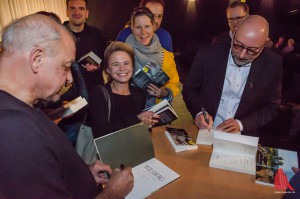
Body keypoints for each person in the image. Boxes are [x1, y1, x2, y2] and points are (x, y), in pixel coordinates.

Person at [0, 14, 133, 198]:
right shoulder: (13, 130)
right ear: (37, 59)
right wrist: (113, 193)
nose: (70, 78)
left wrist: (83, 174)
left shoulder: (17, 110)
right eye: (65, 66)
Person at [182, 15, 282, 136]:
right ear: (233, 35)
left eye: (252, 50)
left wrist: (241, 124)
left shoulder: (272, 64)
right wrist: (198, 113)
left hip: (243, 135)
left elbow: (271, 107)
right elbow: (190, 90)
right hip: (204, 130)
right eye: (238, 45)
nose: (242, 55)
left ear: (265, 44)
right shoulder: (208, 54)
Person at [89, 42, 159, 137]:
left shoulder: (139, 94)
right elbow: (100, 134)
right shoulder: (99, 93)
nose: (122, 68)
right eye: (116, 64)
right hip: (109, 150)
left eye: (126, 63)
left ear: (132, 66)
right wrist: (136, 119)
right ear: (108, 69)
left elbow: (138, 130)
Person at [125, 7, 179, 108]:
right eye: (138, 27)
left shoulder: (167, 56)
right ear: (132, 27)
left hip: (156, 113)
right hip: (129, 110)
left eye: (147, 26)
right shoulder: (123, 53)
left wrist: (165, 92)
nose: (143, 32)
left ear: (153, 26)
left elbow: (174, 83)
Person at [64, 0, 105, 92]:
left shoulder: (96, 34)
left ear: (87, 13)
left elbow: (105, 60)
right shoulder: (58, 35)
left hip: (95, 91)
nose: (77, 12)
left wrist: (98, 66)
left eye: (81, 8)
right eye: (72, 8)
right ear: (67, 12)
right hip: (68, 95)